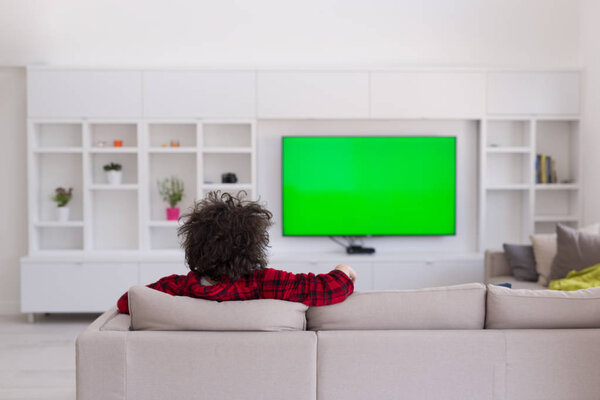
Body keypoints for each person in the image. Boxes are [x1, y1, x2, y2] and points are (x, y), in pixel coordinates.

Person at [117, 191, 356, 314]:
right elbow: (328, 289)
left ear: (194, 245)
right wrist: (343, 270)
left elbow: (127, 302)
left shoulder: (175, 288)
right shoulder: (269, 283)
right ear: (253, 246)